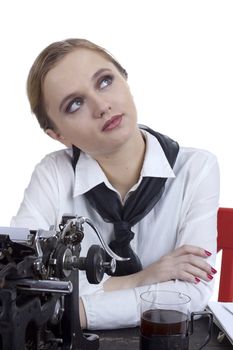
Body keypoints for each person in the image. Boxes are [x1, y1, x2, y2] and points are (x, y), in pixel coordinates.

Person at [11, 38, 220, 330]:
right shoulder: (53, 174)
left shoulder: (197, 168)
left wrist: (75, 313)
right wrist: (143, 278)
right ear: (57, 134)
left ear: (125, 79)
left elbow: (191, 293)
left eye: (105, 81)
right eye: (75, 104)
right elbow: (26, 290)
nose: (101, 106)